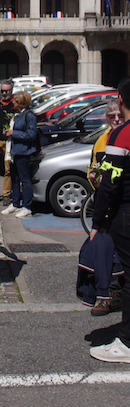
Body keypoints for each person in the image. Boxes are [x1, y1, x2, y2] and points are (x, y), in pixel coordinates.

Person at [89, 77, 130, 363]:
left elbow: (109, 183)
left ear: (122, 101)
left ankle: (127, 342)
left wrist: (97, 221)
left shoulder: (122, 134)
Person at [84, 100, 125, 316]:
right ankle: (107, 296)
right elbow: (94, 167)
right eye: (112, 116)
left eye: (119, 115)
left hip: (122, 205)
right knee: (105, 254)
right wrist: (92, 177)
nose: (116, 119)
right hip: (105, 203)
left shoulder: (125, 138)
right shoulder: (101, 141)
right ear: (106, 118)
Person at [0, 91, 38, 219]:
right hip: (14, 151)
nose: (13, 103)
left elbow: (31, 135)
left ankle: (27, 206)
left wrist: (14, 133)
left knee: (25, 179)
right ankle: (15, 203)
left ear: (21, 103)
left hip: (23, 151)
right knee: (14, 178)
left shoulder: (29, 116)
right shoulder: (17, 115)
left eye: (15, 101)